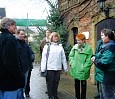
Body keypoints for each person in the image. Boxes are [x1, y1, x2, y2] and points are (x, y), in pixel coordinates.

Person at [0, 17, 25, 99]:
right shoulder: (10, 39)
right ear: (8, 26)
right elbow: (11, 62)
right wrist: (20, 76)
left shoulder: (1, 37)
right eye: (14, 25)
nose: (16, 27)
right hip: (10, 81)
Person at [41, 32, 68, 99]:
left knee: (56, 82)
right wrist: (43, 69)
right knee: (50, 83)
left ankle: (55, 95)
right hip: (50, 68)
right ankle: (50, 96)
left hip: (58, 68)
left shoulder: (60, 47)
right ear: (51, 38)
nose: (56, 38)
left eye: (57, 36)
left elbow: (63, 58)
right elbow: (44, 58)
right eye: (54, 37)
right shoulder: (47, 46)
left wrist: (65, 68)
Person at [91, 29, 115, 99]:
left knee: (108, 96)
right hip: (102, 76)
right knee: (102, 95)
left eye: (102, 35)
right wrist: (94, 56)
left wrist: (95, 60)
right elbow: (98, 54)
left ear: (107, 36)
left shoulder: (110, 47)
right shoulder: (105, 46)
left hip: (107, 76)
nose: (101, 37)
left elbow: (104, 63)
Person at [69, 33, 93, 99]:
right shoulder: (74, 47)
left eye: (79, 40)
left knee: (83, 86)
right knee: (76, 85)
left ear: (83, 40)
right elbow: (71, 56)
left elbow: (89, 60)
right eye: (77, 40)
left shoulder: (88, 49)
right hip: (75, 69)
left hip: (83, 71)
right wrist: (72, 63)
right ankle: (77, 97)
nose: (78, 42)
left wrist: (84, 68)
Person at [16, 28, 32, 99]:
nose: (23, 36)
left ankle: (22, 96)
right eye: (21, 34)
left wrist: (31, 60)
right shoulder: (14, 43)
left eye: (23, 34)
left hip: (26, 68)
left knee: (24, 85)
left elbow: (30, 54)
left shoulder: (26, 44)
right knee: (19, 85)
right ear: (17, 34)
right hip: (19, 68)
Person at [39, 29, 52, 94]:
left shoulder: (53, 40)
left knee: (53, 76)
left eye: (49, 32)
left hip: (53, 61)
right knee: (47, 76)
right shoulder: (43, 41)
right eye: (46, 32)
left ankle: (53, 89)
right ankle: (48, 89)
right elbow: (40, 49)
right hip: (46, 60)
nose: (47, 34)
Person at [94, 29, 104, 99]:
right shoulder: (99, 43)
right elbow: (97, 52)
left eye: (103, 35)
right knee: (98, 81)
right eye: (101, 35)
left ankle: (102, 95)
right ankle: (99, 94)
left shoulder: (109, 44)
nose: (102, 36)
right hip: (98, 64)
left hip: (102, 64)